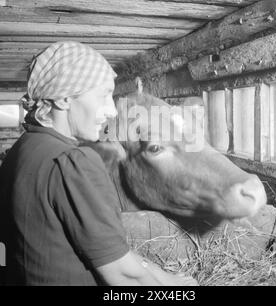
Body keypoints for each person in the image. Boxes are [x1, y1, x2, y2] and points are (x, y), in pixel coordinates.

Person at [0, 41, 197, 286]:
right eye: (103, 96)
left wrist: (166, 278)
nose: (111, 110)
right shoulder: (73, 161)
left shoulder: (21, 150)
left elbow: (105, 249)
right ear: (63, 99)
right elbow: (121, 274)